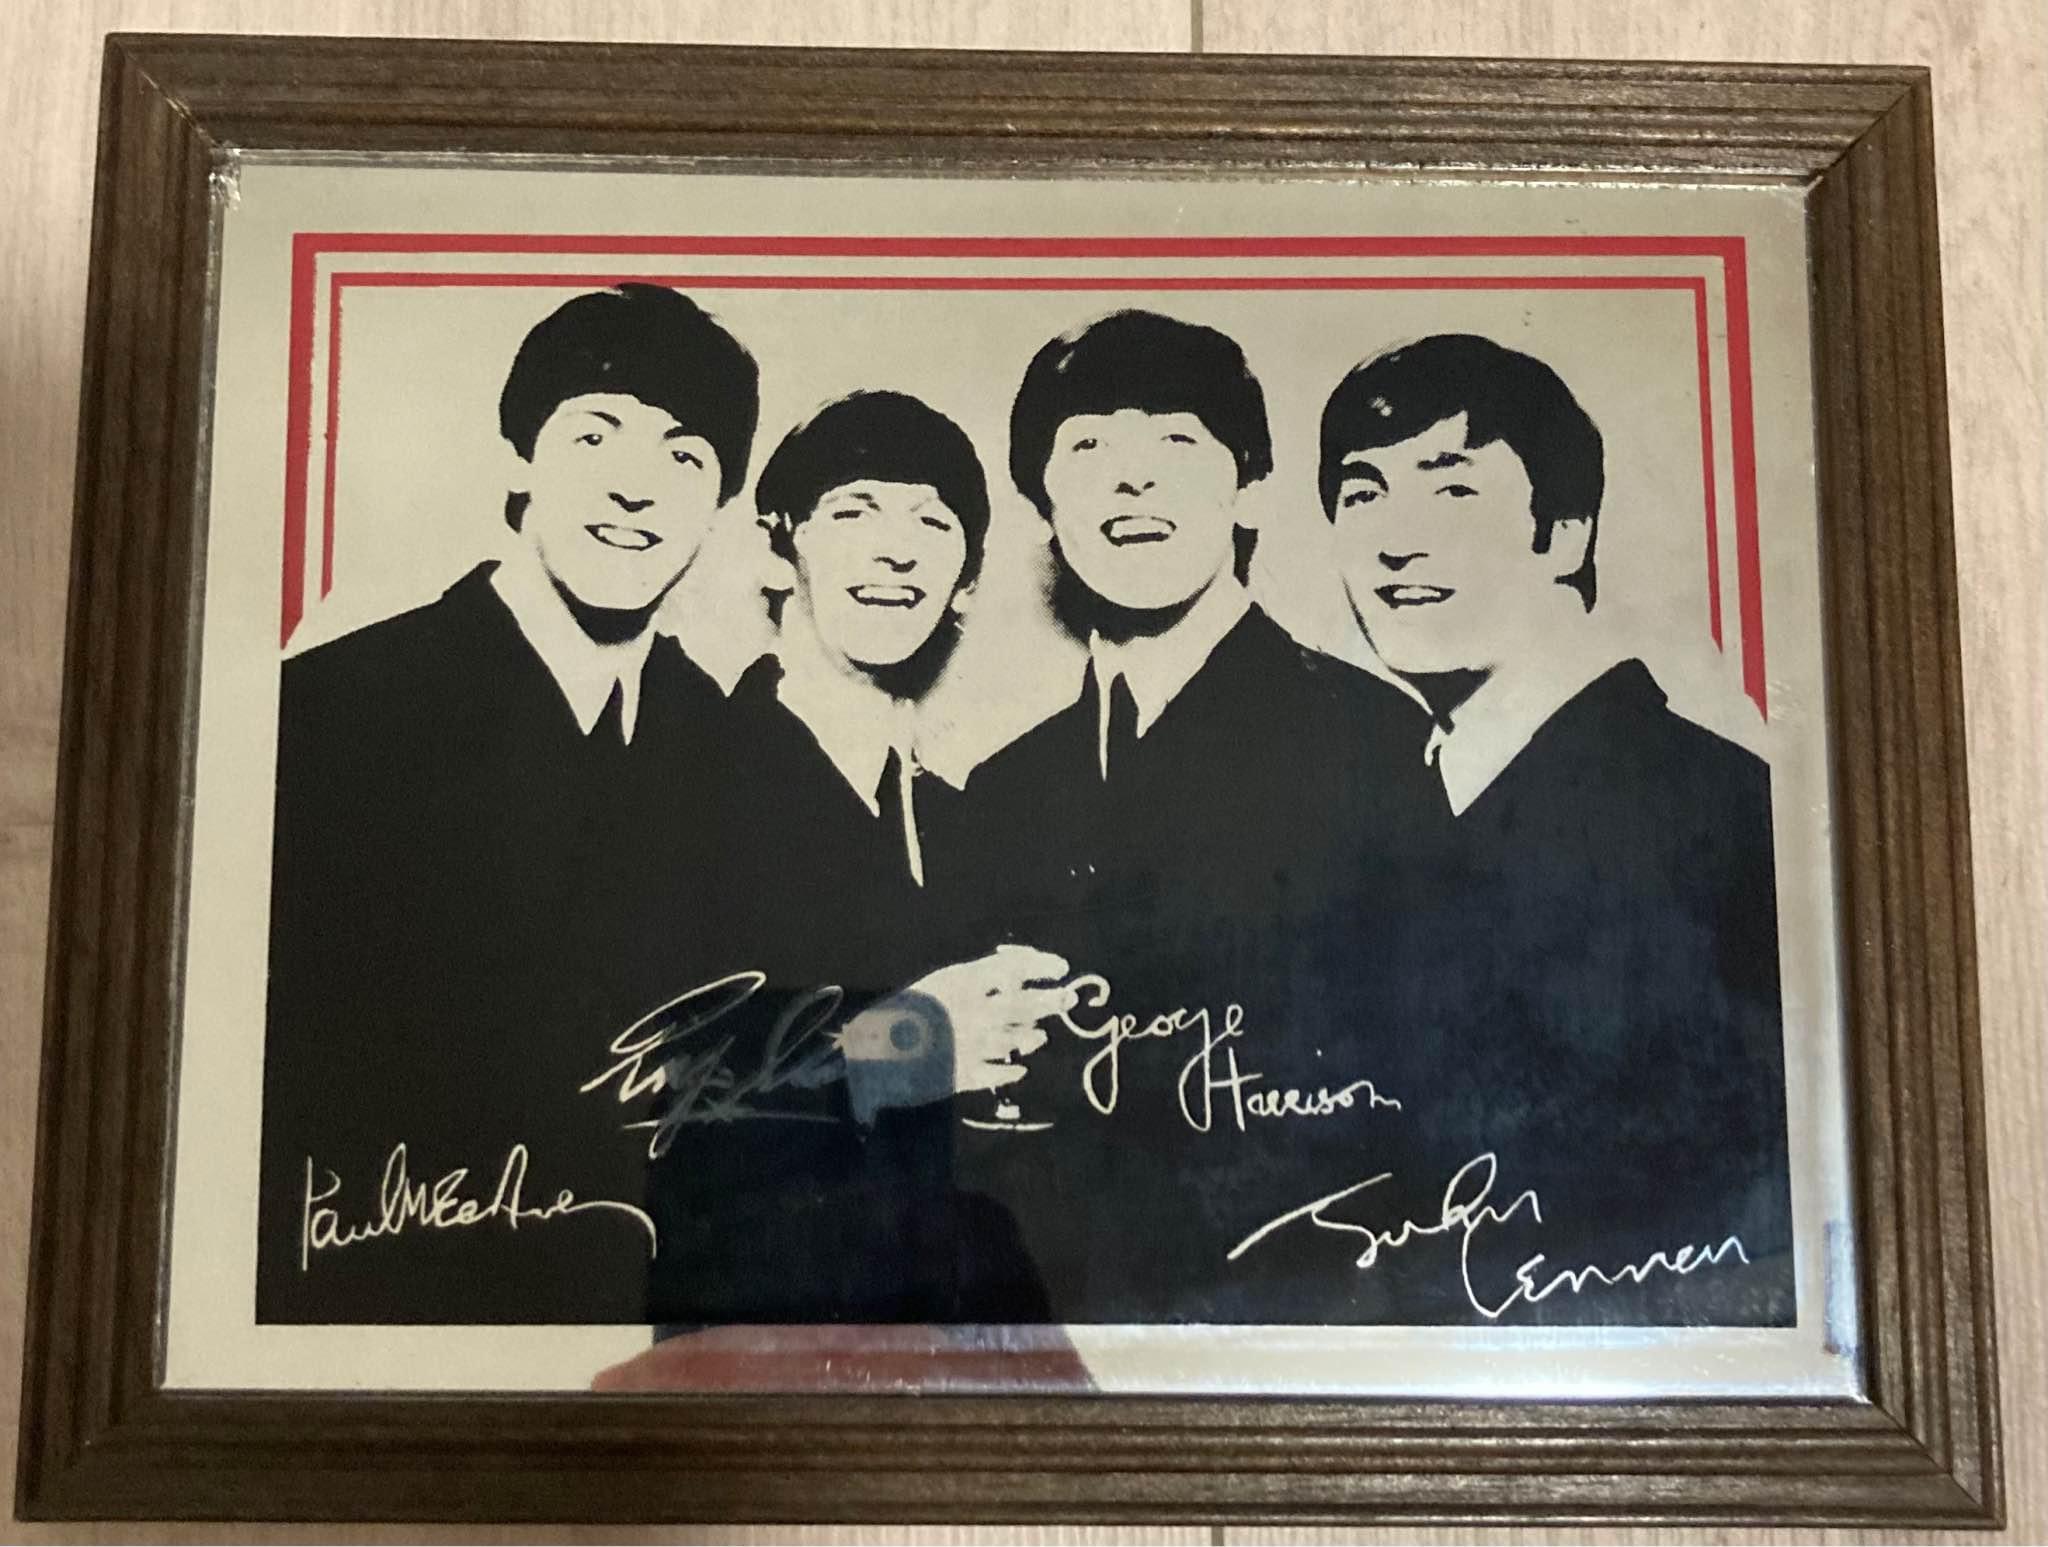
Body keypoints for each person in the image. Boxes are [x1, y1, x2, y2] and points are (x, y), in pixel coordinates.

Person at [927, 310, 1442, 1324]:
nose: (1132, 483)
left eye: (1175, 442)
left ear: (1248, 484)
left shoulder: (1376, 737)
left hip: (1296, 1313)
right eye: (1087, 449)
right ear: (1042, 500)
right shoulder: (1001, 786)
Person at [1292, 332, 1795, 1325]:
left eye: (1451, 489)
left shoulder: (1718, 806)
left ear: (1563, 532)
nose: (1395, 540)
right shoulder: (1394, 803)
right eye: (1362, 494)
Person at [638, 390, 1067, 1325]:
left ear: (964, 581)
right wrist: (911, 1042)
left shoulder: (964, 818)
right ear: (776, 550)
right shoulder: (680, 777)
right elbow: (651, 1100)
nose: (895, 550)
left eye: (932, 522)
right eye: (853, 512)